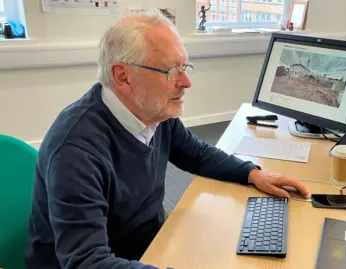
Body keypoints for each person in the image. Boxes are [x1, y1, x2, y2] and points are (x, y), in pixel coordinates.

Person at [25, 11, 310, 269]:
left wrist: (250, 173)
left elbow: (196, 154)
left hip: (146, 247)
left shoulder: (153, 112)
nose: (186, 82)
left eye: (185, 67)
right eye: (171, 71)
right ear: (123, 76)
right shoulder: (75, 151)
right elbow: (86, 262)